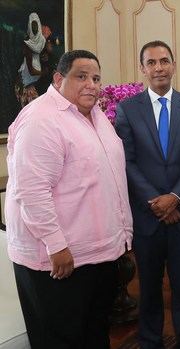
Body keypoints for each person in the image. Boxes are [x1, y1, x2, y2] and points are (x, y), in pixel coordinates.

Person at [5, 49, 133, 348]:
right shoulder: (41, 119)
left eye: (96, 78)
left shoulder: (96, 115)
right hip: (59, 260)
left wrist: (122, 235)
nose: (91, 84)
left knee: (94, 333)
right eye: (81, 76)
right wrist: (56, 244)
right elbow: (32, 189)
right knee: (62, 339)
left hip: (97, 255)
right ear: (59, 78)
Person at [115, 40, 180, 349]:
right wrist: (156, 201)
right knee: (150, 288)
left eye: (164, 61)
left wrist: (175, 198)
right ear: (143, 68)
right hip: (147, 216)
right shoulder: (127, 110)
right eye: (151, 62)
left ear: (173, 64)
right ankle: (150, 341)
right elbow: (126, 160)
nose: (158, 67)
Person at [15, 12, 48, 107]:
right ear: (29, 25)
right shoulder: (27, 44)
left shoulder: (40, 42)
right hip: (24, 84)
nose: (34, 28)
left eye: (36, 25)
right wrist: (43, 72)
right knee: (32, 110)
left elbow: (42, 55)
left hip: (32, 83)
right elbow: (31, 71)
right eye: (32, 25)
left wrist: (44, 58)